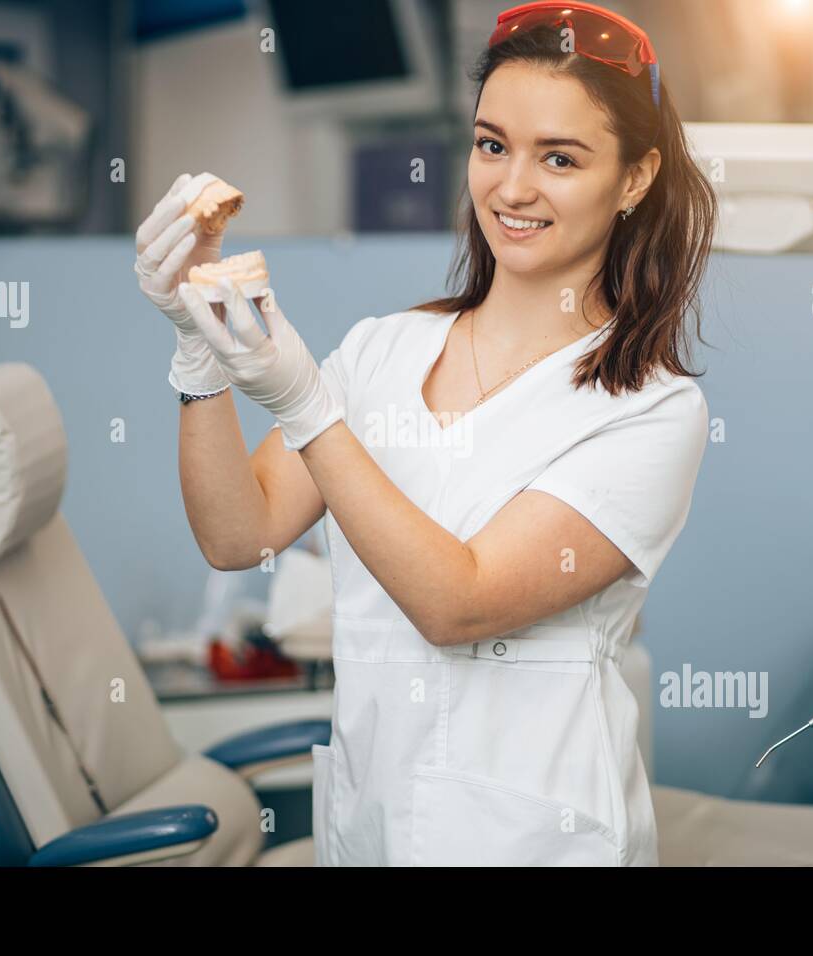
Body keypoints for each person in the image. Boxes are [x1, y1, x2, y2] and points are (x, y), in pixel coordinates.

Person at [133, 1, 717, 866]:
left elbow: (459, 603)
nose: (513, 187)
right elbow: (236, 532)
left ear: (635, 179)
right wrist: (197, 351)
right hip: (374, 824)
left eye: (560, 157)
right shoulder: (384, 350)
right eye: (492, 145)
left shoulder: (649, 408)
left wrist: (305, 407)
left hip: (537, 840)